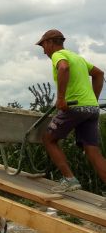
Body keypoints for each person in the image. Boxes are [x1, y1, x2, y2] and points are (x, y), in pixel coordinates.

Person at [36, 29, 106, 194]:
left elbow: (64, 68)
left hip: (74, 107)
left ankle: (69, 179)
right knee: (92, 151)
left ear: (50, 42)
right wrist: (93, 100)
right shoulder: (78, 57)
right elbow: (99, 74)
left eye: (43, 45)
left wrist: (60, 98)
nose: (43, 50)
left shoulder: (58, 55)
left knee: (48, 139)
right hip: (91, 109)